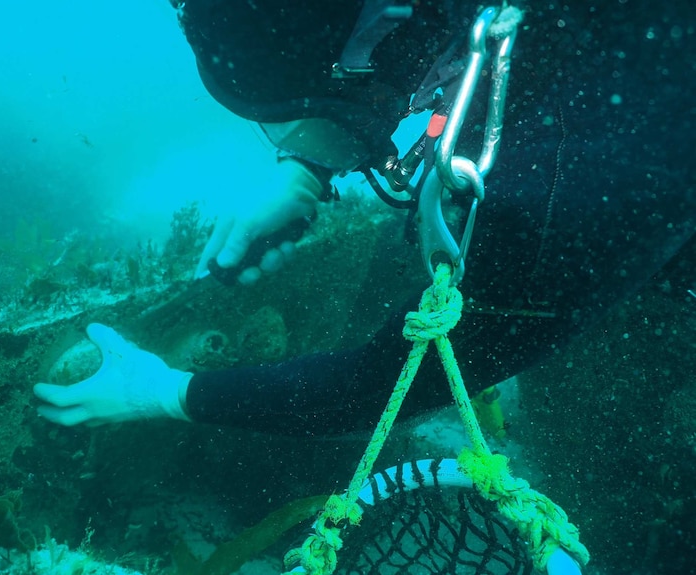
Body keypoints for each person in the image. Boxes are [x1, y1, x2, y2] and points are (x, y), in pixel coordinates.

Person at [34, 0, 696, 436]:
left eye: (333, 81)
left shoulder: (579, 184)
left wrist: (168, 391)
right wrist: (306, 167)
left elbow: (383, 383)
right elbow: (412, 43)